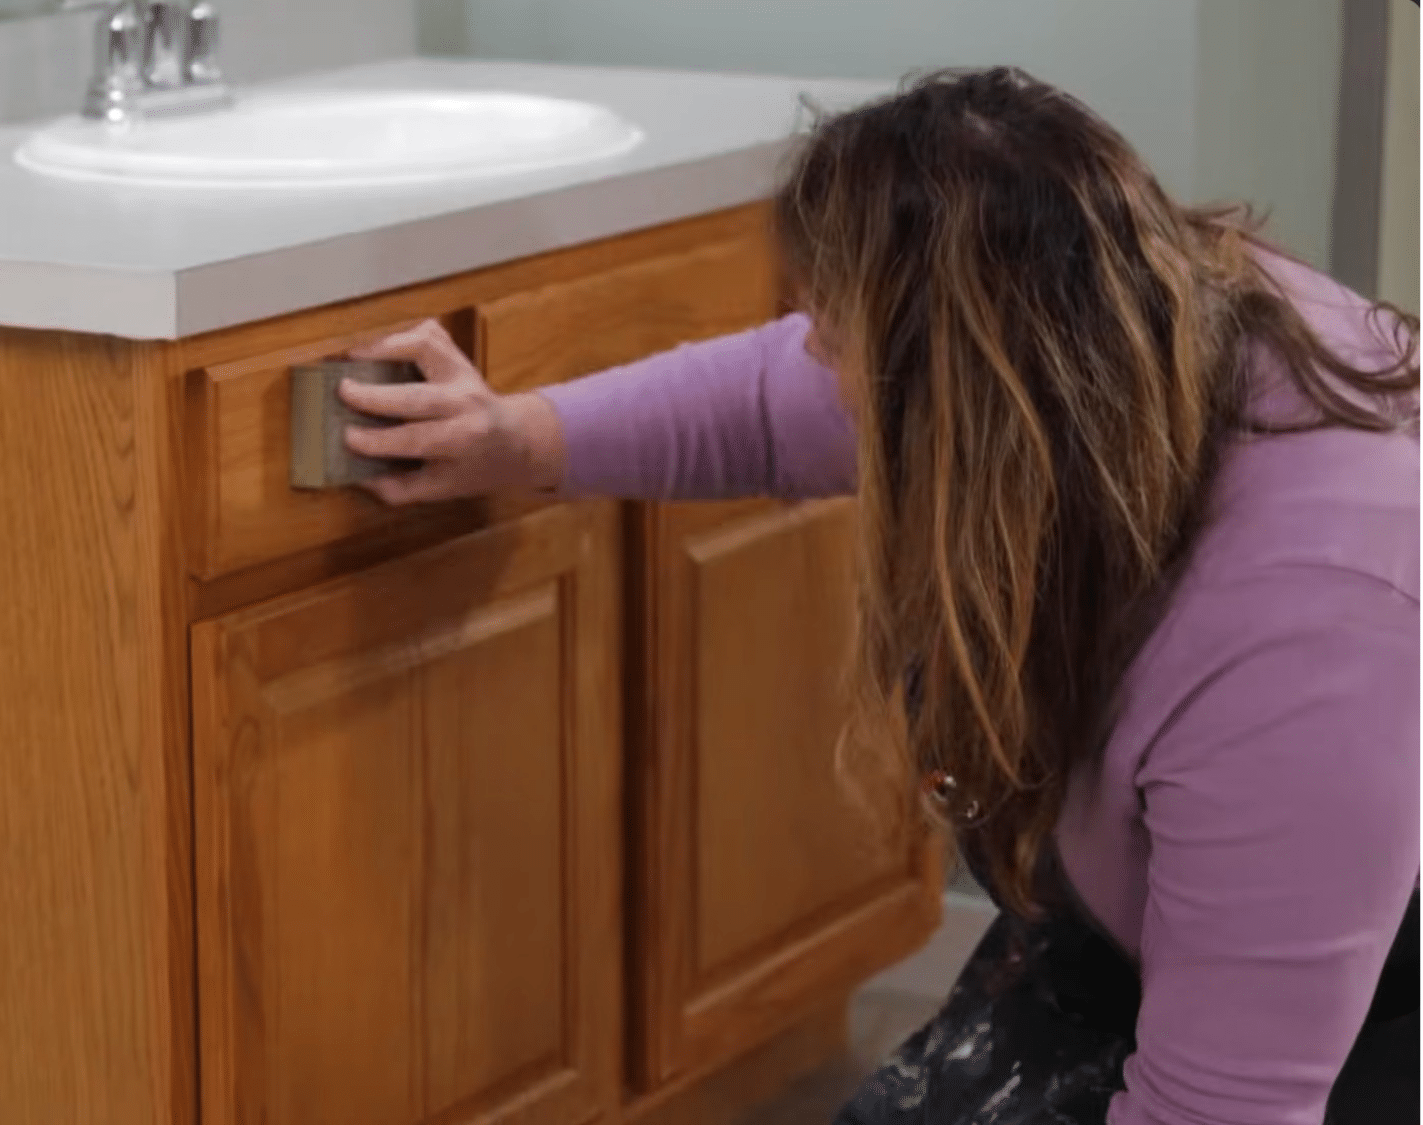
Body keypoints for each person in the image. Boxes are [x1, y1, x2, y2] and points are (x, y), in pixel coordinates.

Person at [336, 68, 1419, 1124]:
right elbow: (780, 398)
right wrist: (516, 437)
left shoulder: (1303, 640)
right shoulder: (1108, 337)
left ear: (954, 399)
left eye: (838, 337)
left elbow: (1229, 1105)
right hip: (1167, 920)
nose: (817, 358)